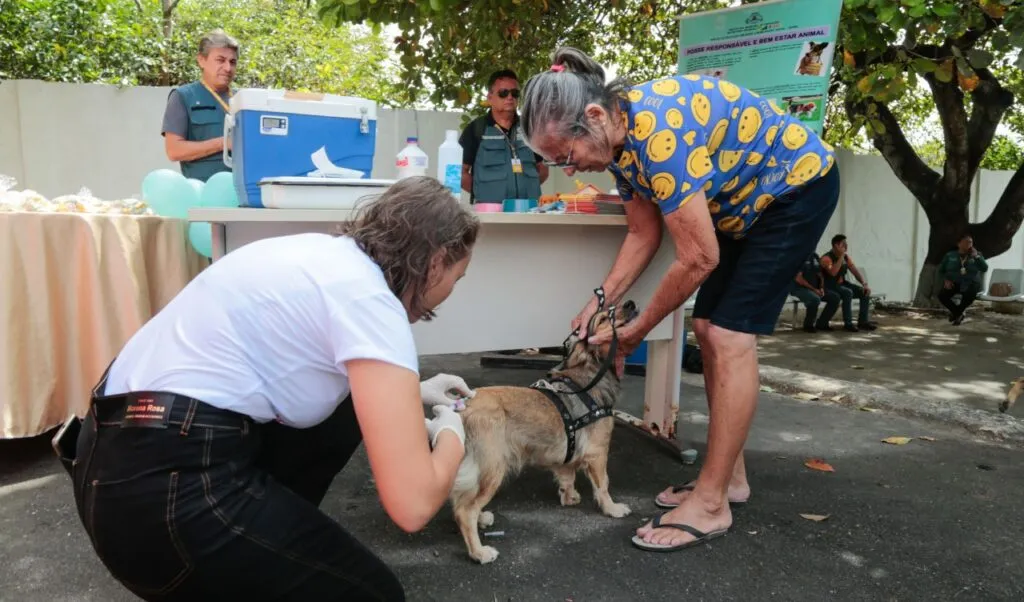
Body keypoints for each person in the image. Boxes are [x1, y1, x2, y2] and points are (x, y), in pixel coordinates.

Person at [55, 177, 478, 600]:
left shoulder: (313, 254)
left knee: (345, 411)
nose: (451, 293)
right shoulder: (371, 303)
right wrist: (451, 432)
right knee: (373, 595)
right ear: (437, 261)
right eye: (458, 278)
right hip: (165, 505)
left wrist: (410, 393)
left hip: (110, 468)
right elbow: (414, 505)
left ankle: (262, 547)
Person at [519, 47, 839, 552]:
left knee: (728, 335)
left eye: (565, 156)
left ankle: (712, 503)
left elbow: (697, 259)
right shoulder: (622, 146)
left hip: (794, 190)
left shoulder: (658, 136)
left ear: (595, 117)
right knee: (706, 327)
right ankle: (728, 478)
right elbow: (643, 235)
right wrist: (598, 301)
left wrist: (637, 329)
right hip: (743, 208)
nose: (570, 171)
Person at [459, 69, 549, 203]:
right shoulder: (476, 129)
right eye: (503, 93)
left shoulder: (529, 128)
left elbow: (542, 168)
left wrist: (528, 188)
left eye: (515, 93)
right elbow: (460, 172)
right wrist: (482, 192)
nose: (509, 97)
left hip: (528, 211)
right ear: (490, 98)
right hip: (491, 213)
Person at [161, 29, 238, 182]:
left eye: (232, 62)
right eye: (220, 60)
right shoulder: (183, 96)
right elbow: (174, 151)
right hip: (203, 193)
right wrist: (223, 143)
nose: (228, 68)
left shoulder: (244, 100)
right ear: (201, 60)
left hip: (243, 192)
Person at [820, 234, 877, 332]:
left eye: (846, 244)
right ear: (836, 245)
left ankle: (863, 322)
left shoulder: (846, 258)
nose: (846, 246)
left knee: (864, 292)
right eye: (843, 244)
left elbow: (854, 271)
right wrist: (841, 256)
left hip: (841, 284)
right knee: (847, 292)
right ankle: (848, 324)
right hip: (829, 286)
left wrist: (864, 284)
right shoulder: (826, 258)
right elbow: (833, 273)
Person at [938, 233, 988, 325]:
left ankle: (957, 314)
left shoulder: (977, 255)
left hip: (971, 283)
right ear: (959, 244)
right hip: (954, 282)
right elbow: (941, 270)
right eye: (966, 242)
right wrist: (946, 280)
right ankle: (958, 313)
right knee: (942, 295)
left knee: (969, 295)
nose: (969, 245)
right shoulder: (950, 255)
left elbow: (984, 268)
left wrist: (976, 256)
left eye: (971, 242)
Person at [790, 251, 840, 332]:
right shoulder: (798, 255)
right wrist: (814, 290)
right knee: (815, 299)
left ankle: (822, 323)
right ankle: (808, 325)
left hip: (815, 289)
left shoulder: (815, 256)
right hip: (799, 289)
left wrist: (821, 288)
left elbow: (820, 275)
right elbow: (798, 278)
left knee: (835, 297)